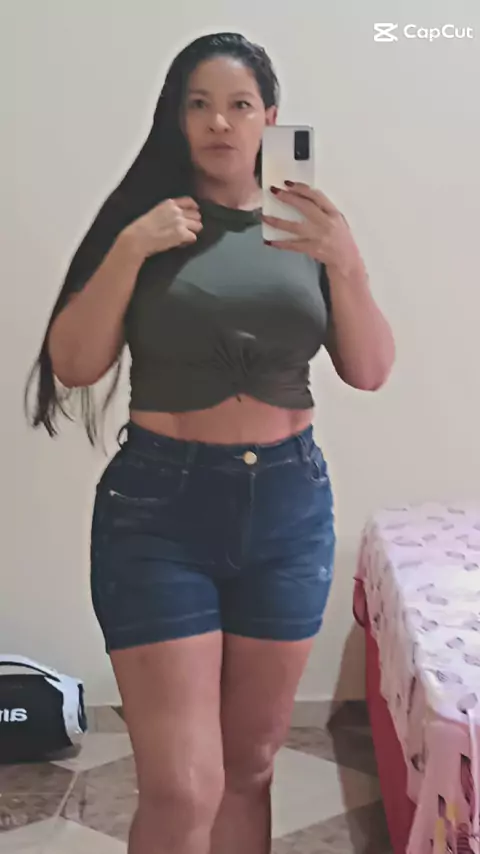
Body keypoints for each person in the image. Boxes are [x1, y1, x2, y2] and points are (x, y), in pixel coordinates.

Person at [26, 31, 395, 854]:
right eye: (199, 105)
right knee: (182, 786)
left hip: (289, 512)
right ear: (177, 118)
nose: (219, 122)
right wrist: (132, 246)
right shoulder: (147, 224)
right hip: (160, 511)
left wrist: (346, 262)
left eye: (238, 105)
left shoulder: (307, 229)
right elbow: (75, 363)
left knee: (250, 768)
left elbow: (369, 370)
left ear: (270, 118)